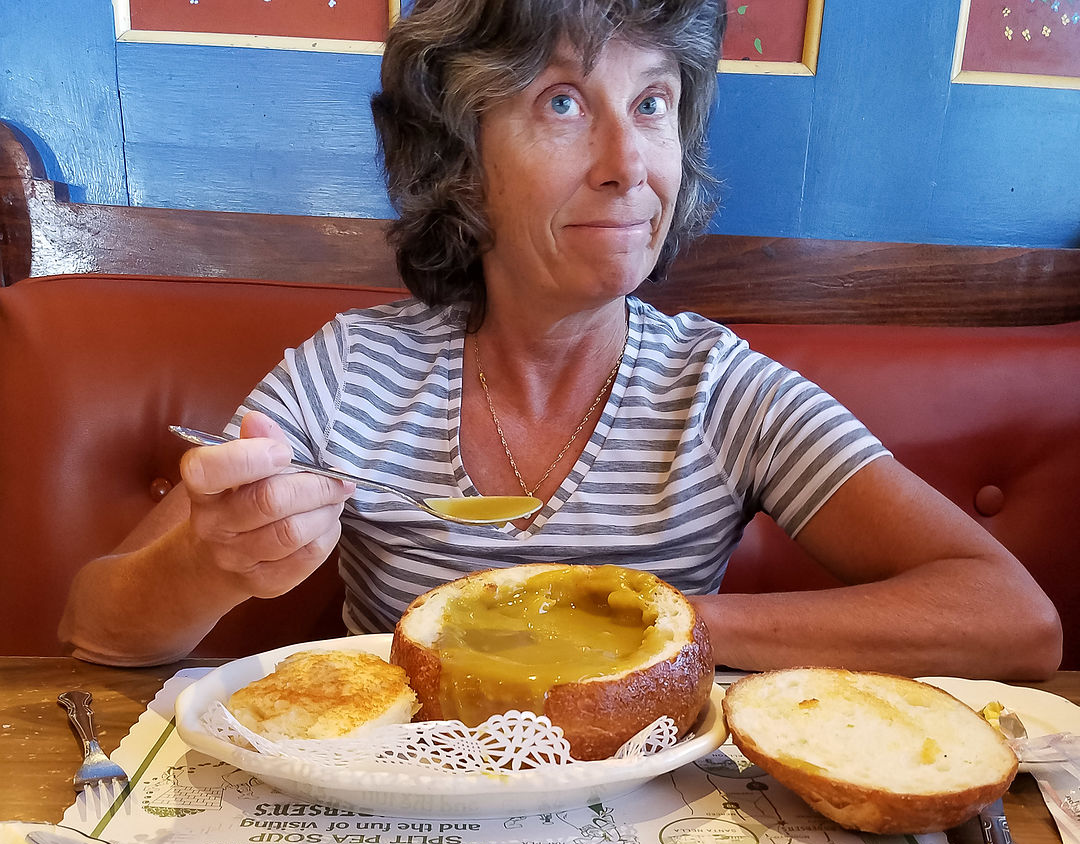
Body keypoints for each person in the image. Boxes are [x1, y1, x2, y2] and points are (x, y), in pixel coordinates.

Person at [60, 0, 1062, 678]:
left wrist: (670, 626)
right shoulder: (352, 371)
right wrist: (215, 562)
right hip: (395, 822)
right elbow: (97, 627)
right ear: (460, 161)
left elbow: (1013, 620)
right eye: (565, 102)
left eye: (654, 102)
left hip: (656, 835)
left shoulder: (719, 389)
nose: (630, 164)